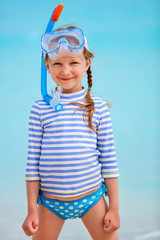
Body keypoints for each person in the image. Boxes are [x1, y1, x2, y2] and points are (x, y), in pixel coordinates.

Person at [22, 26, 120, 240]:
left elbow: (109, 161)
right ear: (47, 66)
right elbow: (32, 164)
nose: (66, 71)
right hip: (50, 202)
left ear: (86, 64)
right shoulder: (40, 108)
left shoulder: (98, 107)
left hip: (91, 199)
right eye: (57, 63)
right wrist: (31, 210)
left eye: (73, 62)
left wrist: (114, 208)